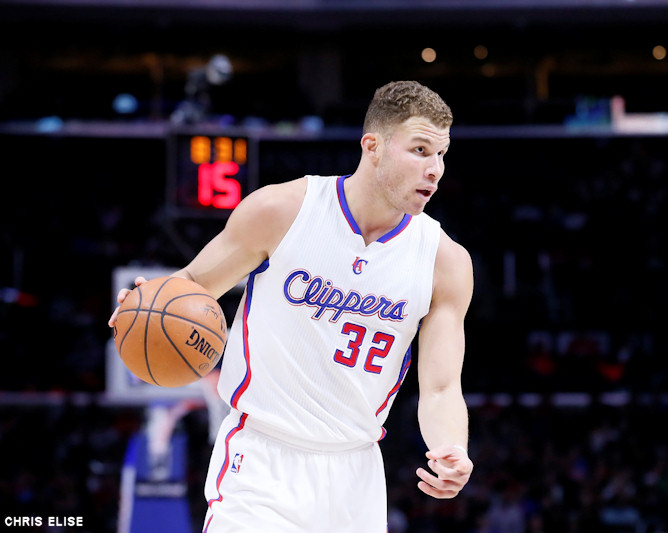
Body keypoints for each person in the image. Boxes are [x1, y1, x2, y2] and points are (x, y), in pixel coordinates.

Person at [109, 80, 474, 532]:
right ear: (373, 147)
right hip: (261, 459)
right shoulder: (282, 210)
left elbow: (440, 388)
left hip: (355, 473)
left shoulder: (445, 262)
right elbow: (194, 284)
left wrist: (452, 448)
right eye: (420, 150)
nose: (435, 169)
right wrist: (145, 304)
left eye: (441, 154)